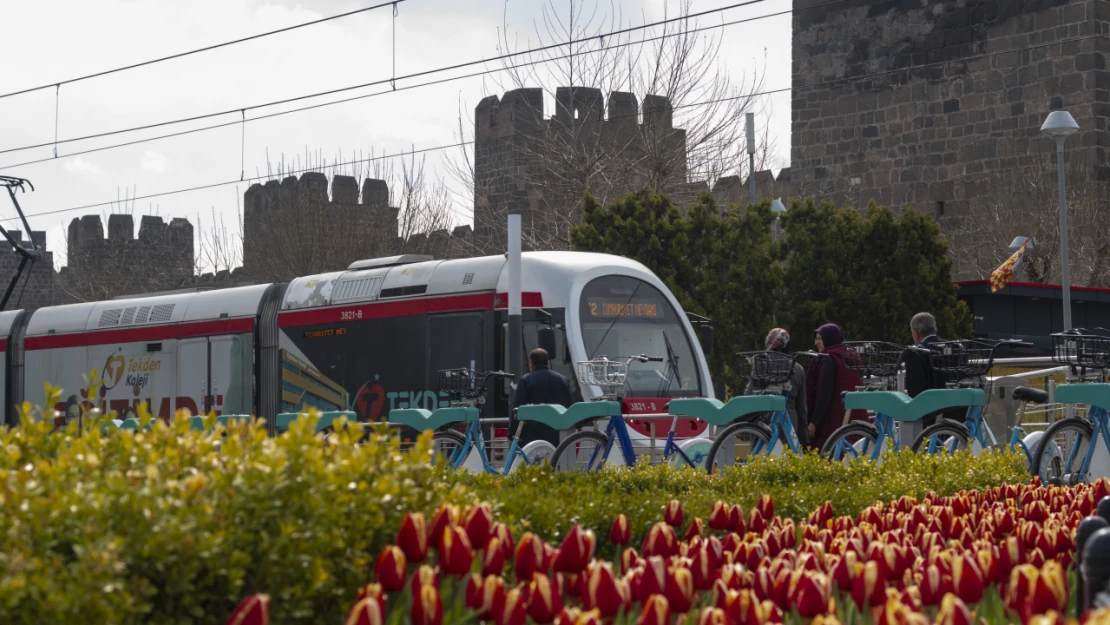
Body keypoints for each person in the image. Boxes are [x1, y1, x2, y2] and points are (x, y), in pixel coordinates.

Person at [804, 323, 868, 451]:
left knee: (828, 454)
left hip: (834, 417)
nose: (816, 343)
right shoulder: (850, 356)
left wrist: (814, 422)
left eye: (820, 339)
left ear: (829, 339)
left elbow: (824, 393)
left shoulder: (828, 359)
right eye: (816, 339)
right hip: (855, 414)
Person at [745, 328, 809, 446]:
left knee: (759, 457)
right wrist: (803, 431)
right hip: (789, 421)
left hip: (763, 420)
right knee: (788, 459)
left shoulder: (760, 362)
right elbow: (801, 407)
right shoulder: (798, 369)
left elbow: (749, 393)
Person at [903, 311, 958, 427]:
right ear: (935, 329)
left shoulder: (916, 352)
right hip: (957, 413)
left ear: (916, 334)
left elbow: (914, 390)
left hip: (930, 419)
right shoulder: (955, 347)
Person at [510, 348, 574, 446]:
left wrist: (512, 435)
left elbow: (518, 411)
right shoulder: (562, 380)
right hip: (558, 436)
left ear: (531, 363)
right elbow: (570, 407)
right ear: (547, 362)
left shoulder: (526, 380)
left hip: (532, 439)